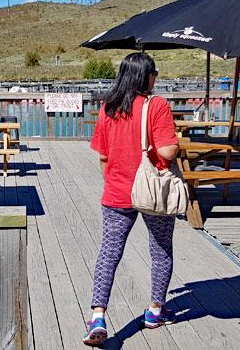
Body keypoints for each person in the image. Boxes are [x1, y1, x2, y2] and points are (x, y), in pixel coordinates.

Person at [84, 52, 180, 346]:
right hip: (154, 191)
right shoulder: (158, 105)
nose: (156, 78)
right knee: (161, 250)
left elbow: (103, 156)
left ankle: (98, 315)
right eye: (155, 73)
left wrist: (116, 180)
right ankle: (154, 311)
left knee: (109, 253)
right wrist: (174, 145)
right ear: (146, 76)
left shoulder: (109, 108)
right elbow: (167, 153)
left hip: (116, 191)